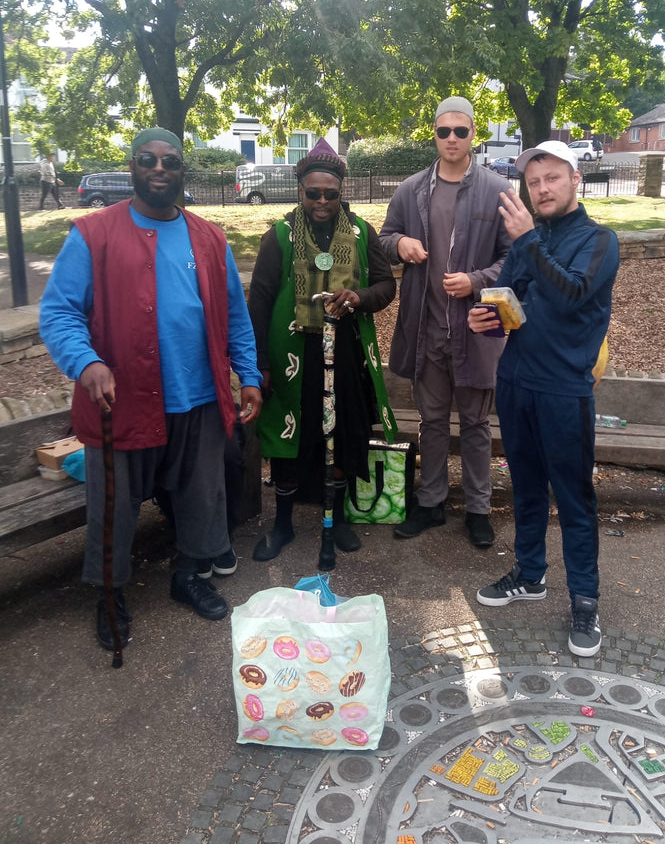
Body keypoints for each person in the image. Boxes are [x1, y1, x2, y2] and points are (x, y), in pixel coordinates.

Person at [39, 127, 263, 651]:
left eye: (170, 161)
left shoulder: (210, 238)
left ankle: (189, 576)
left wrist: (248, 375)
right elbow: (59, 312)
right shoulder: (93, 234)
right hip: (123, 400)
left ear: (182, 171)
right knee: (114, 506)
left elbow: (235, 316)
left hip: (199, 395)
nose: (160, 168)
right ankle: (111, 595)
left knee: (199, 496)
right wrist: (85, 361)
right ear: (133, 167)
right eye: (148, 159)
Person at [472, 140, 620, 657]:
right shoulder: (523, 244)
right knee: (527, 489)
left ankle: (584, 599)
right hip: (516, 385)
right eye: (533, 182)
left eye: (552, 178)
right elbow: (508, 309)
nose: (541, 189)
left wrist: (530, 240)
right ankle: (529, 574)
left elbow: (572, 294)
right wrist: (484, 320)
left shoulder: (600, 240)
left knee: (575, 500)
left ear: (575, 179)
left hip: (564, 391)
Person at [248, 139, 397, 560]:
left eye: (330, 193)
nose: (322, 201)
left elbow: (387, 286)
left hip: (345, 352)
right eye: (313, 193)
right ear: (301, 191)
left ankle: (340, 518)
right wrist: (258, 364)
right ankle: (282, 525)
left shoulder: (361, 232)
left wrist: (360, 297)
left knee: (344, 433)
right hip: (294, 355)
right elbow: (258, 302)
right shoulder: (278, 236)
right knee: (290, 436)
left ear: (340, 192)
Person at [378, 97, 511, 547]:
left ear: (475, 133)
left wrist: (475, 280)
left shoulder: (497, 190)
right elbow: (383, 238)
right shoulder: (411, 189)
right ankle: (431, 502)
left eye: (461, 131)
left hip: (477, 329)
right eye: (443, 131)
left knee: (475, 425)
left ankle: (478, 509)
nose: (452, 139)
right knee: (431, 421)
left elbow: (516, 260)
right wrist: (401, 246)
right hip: (426, 328)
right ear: (433, 134)